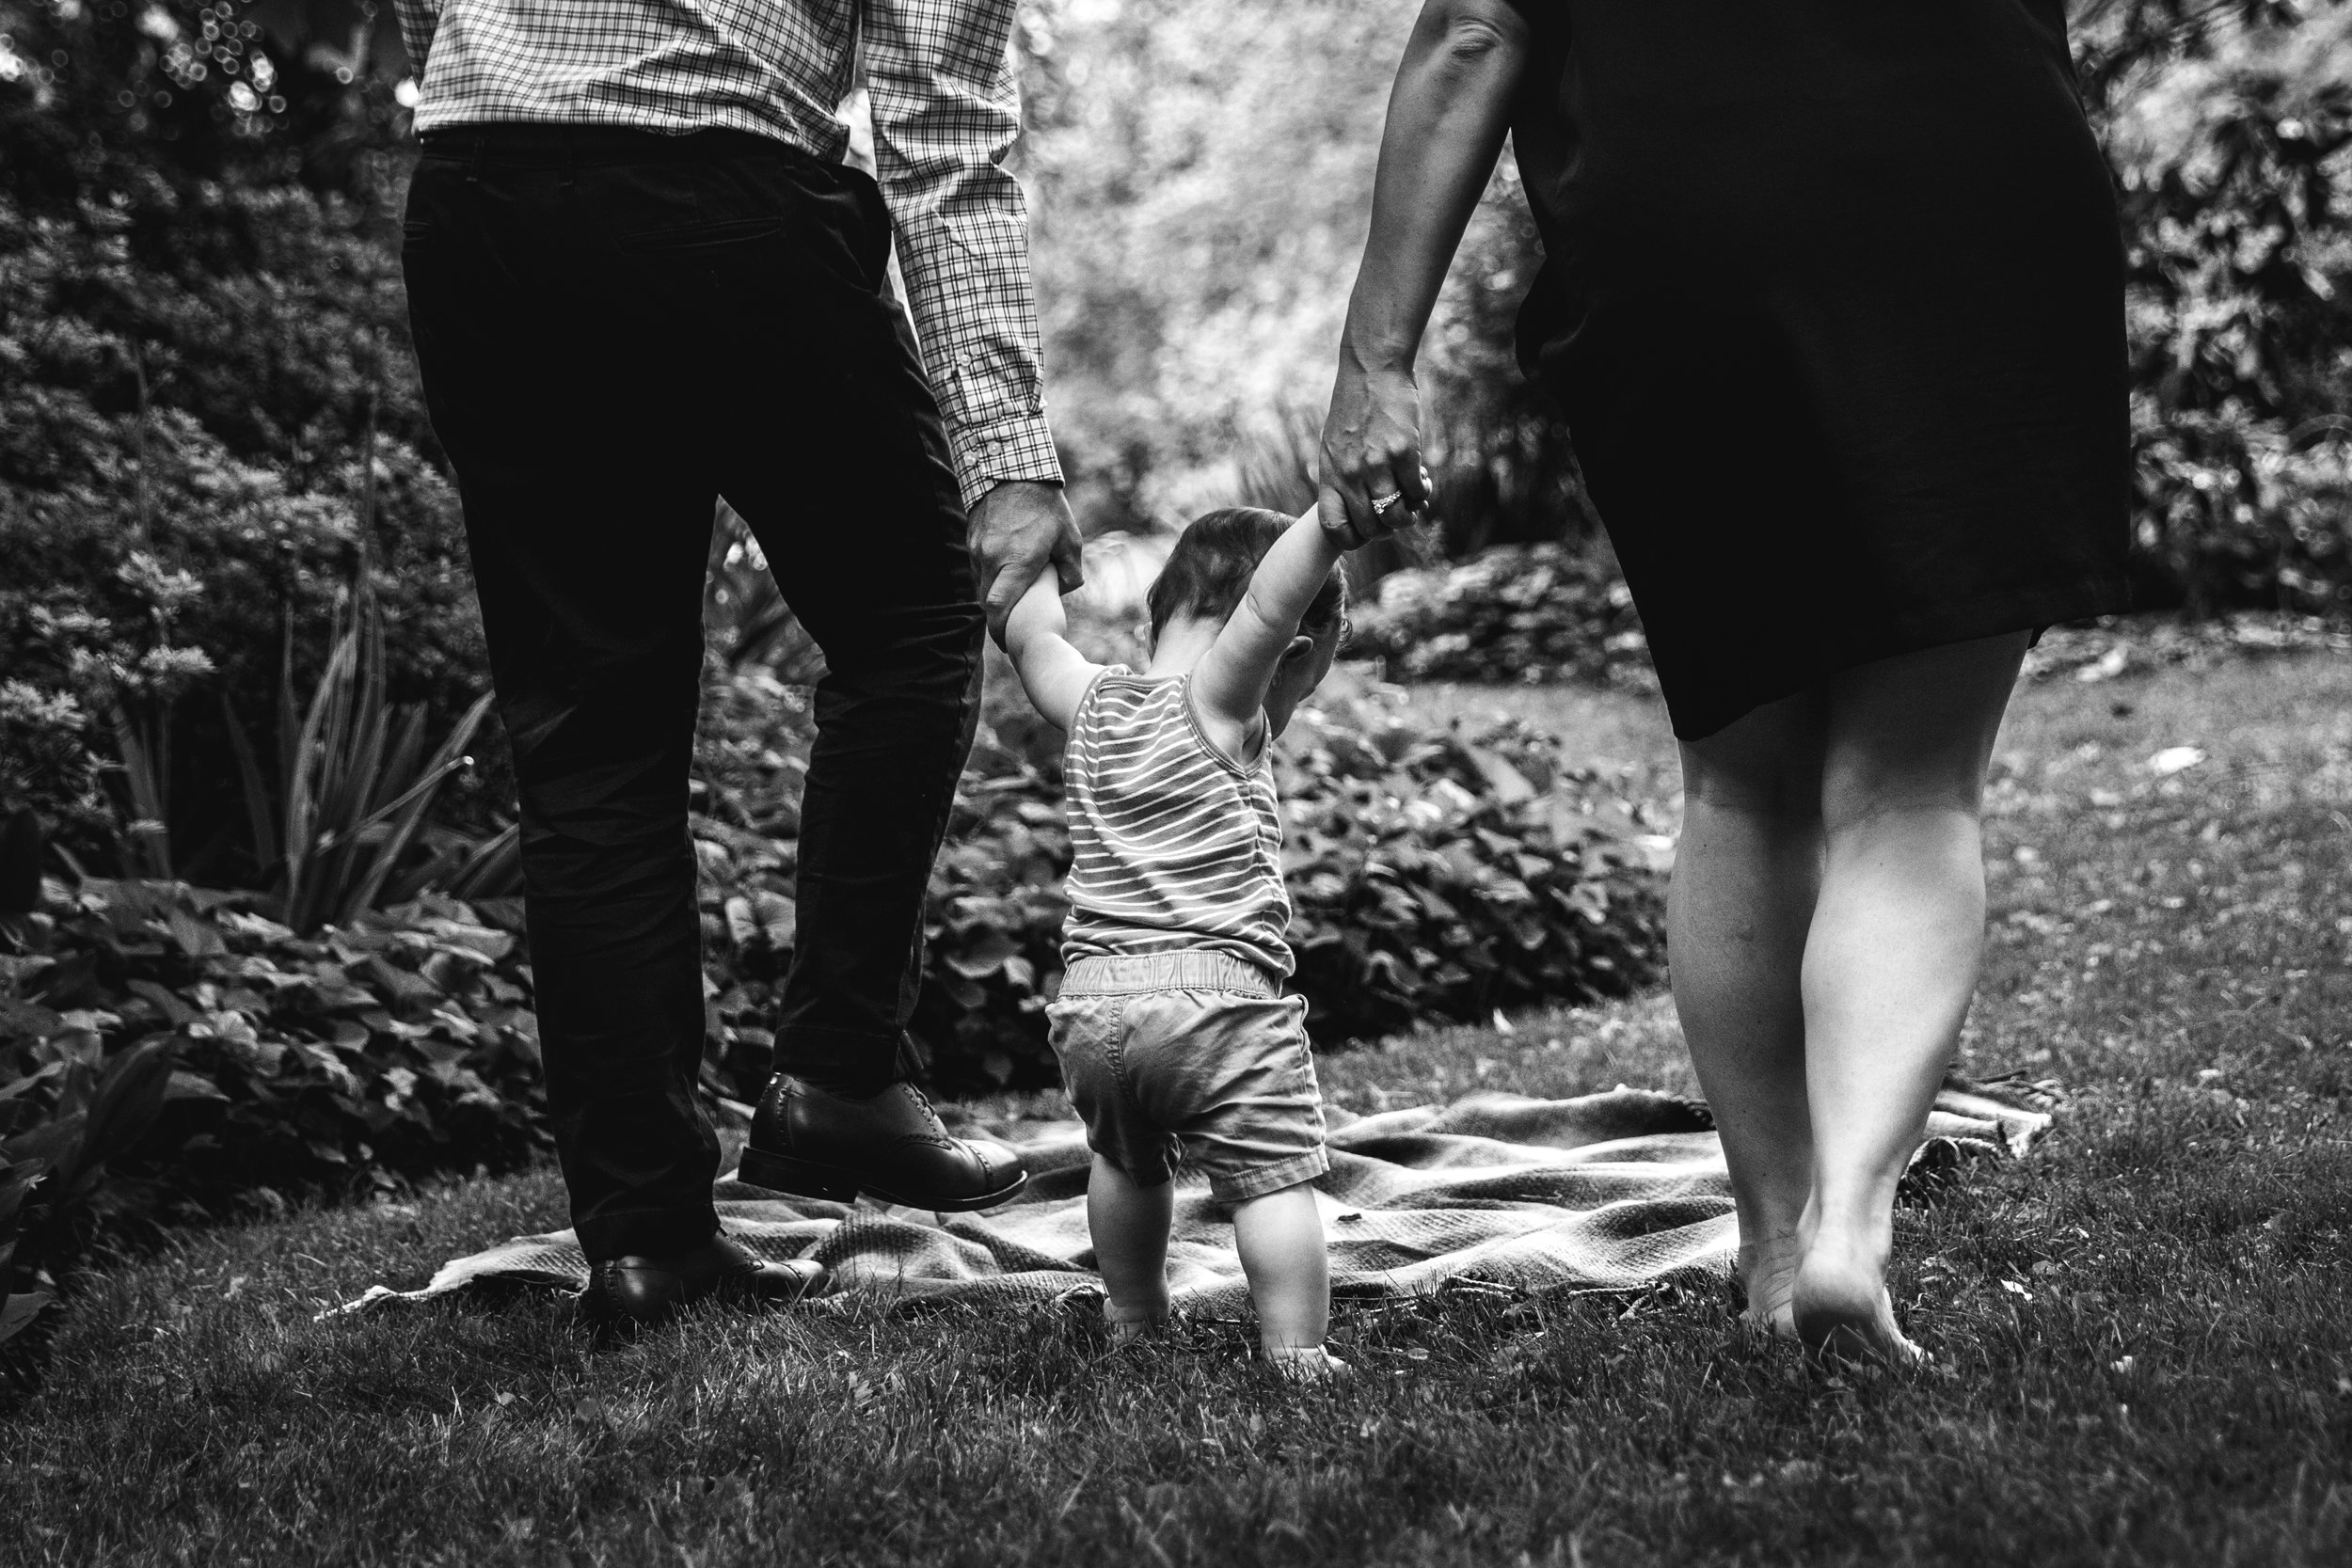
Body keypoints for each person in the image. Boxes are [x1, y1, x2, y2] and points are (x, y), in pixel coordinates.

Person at [1321, 0, 2131, 1362]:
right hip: (1970, 176)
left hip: (1691, 206)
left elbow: (1476, 28)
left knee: (1744, 776)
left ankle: (1769, 1244)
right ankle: (1851, 1234)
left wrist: (1375, 357)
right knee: (1913, 787)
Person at [390, 0, 1087, 1327]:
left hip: (485, 195)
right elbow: (943, 126)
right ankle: (835, 1072)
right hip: (717, 192)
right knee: (917, 615)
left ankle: (648, 1239)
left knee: (590, 737)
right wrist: (1005, 450)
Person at [1004, 502, 1409, 1378]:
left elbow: (1031, 637)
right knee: (1275, 1175)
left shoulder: (1091, 701)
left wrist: (1032, 557)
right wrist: (1333, 525)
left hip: (1092, 1011)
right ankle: (1296, 1349)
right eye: (1309, 680)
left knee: (1123, 1161)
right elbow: (1269, 607)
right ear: (1289, 655)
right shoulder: (1222, 699)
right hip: (1214, 1004)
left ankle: (1134, 1310)